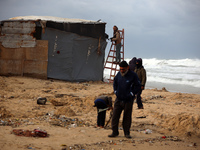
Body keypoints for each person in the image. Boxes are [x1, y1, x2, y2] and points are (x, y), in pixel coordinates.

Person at [108, 61, 141, 138]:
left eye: (123, 69)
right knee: (115, 116)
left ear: (127, 68)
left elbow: (138, 86)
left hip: (128, 100)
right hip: (118, 99)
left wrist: (132, 94)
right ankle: (114, 132)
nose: (122, 71)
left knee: (127, 117)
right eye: (120, 69)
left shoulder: (133, 75)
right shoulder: (119, 74)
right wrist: (115, 91)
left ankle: (127, 133)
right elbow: (115, 83)